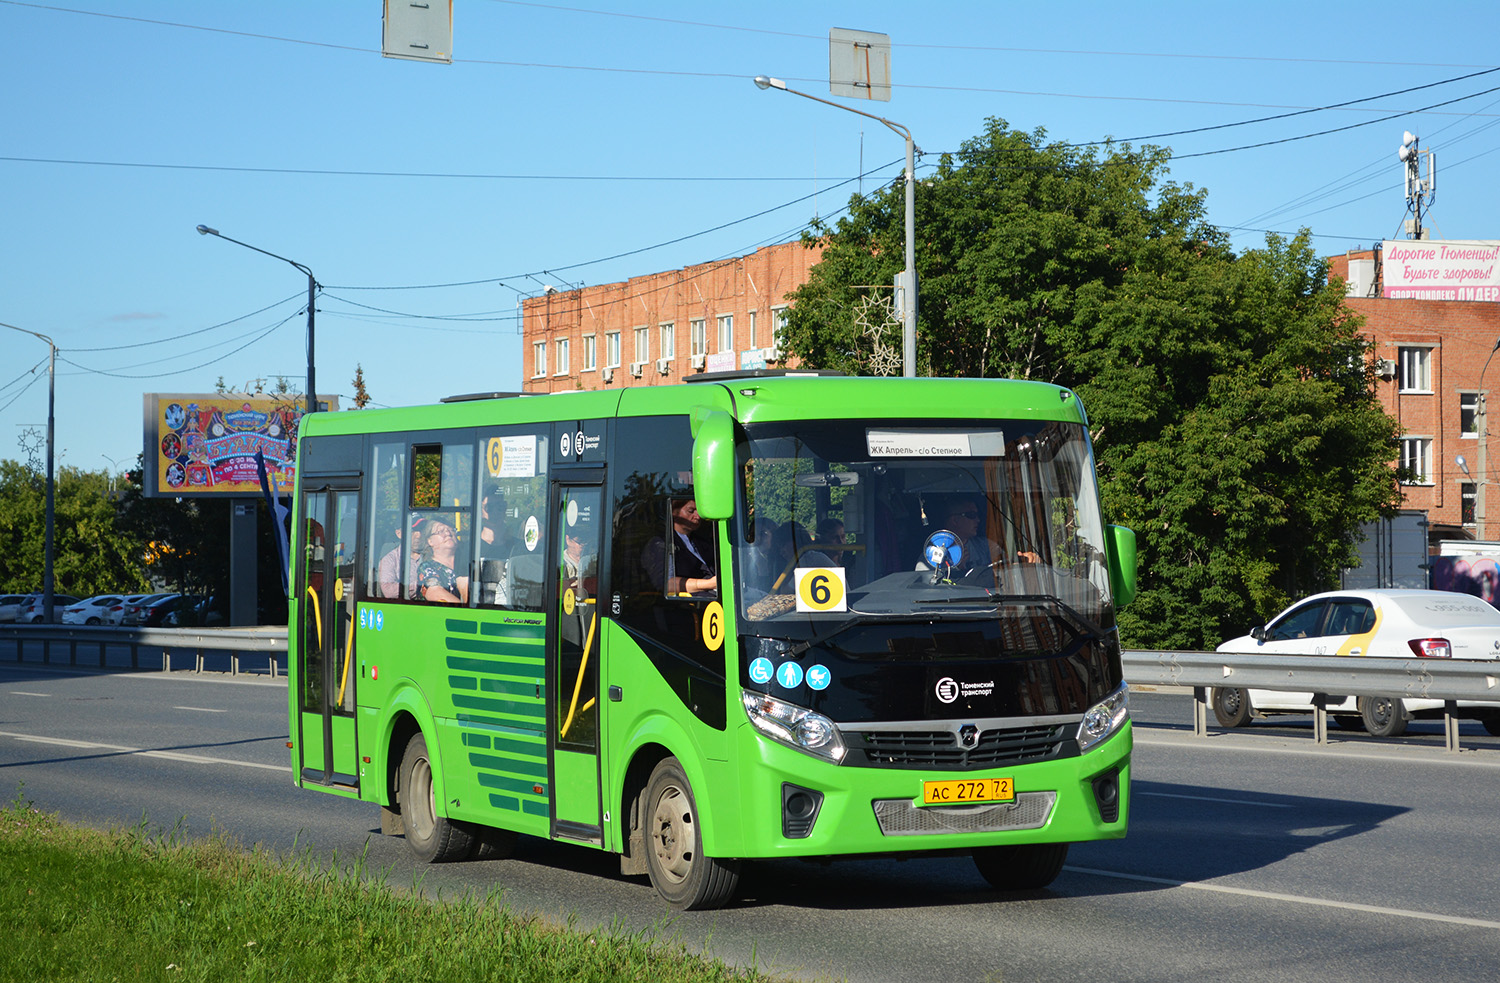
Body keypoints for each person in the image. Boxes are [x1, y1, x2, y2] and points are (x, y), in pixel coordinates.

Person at [642, 498, 717, 595]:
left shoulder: (703, 543)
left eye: (700, 511)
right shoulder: (661, 543)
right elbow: (667, 584)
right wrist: (708, 584)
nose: (697, 516)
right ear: (674, 512)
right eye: (691, 511)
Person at [416, 518, 469, 603]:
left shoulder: (467, 560)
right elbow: (435, 593)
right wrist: (470, 612)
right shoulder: (426, 568)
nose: (448, 533)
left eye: (451, 530)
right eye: (441, 531)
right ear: (430, 541)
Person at [377, 516, 425, 599]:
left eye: (422, 529)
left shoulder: (434, 555)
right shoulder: (390, 559)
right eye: (413, 530)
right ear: (399, 533)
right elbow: (389, 591)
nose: (419, 535)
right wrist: (421, 585)